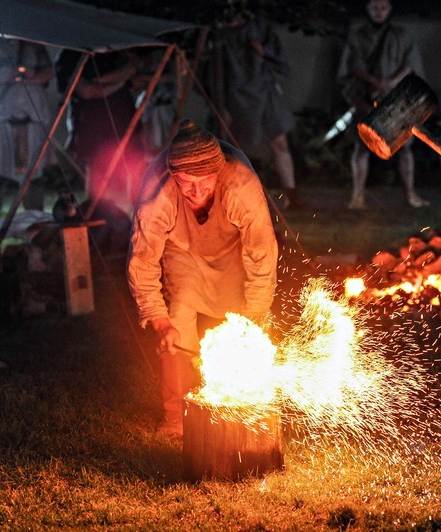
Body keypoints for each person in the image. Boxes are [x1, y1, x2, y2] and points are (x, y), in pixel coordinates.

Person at [127, 119, 278, 436]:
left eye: (205, 182)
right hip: (182, 248)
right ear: (173, 176)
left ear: (218, 172)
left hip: (233, 247)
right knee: (177, 323)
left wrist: (255, 315)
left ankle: (243, 409)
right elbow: (142, 260)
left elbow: (261, 252)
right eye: (187, 182)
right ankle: (175, 417)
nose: (196, 192)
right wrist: (158, 318)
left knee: (243, 325)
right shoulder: (158, 197)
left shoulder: (240, 187)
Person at [337, 0, 428, 210]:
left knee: (405, 148)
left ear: (390, 9)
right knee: (361, 146)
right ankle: (357, 197)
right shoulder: (357, 36)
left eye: (383, 7)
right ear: (367, 9)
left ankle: (410, 194)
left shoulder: (401, 35)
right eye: (374, 7)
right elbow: (351, 66)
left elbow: (410, 64)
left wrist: (391, 83)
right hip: (366, 97)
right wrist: (373, 82)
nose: (379, 12)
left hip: (396, 98)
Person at [216, 11, 305, 209]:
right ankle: (231, 197)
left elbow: (278, 61)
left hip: (265, 92)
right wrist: (223, 105)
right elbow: (217, 74)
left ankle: (291, 193)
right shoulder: (221, 35)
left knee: (279, 142)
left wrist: (263, 51)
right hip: (237, 97)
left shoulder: (259, 27)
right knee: (234, 148)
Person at [0, 37, 55, 218]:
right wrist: (9, 72)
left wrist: (28, 74)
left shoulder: (33, 42)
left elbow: (47, 72)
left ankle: (35, 226)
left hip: (32, 120)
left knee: (34, 179)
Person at [55, 49, 144, 211]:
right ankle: (98, 216)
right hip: (93, 126)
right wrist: (123, 81)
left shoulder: (115, 50)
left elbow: (135, 71)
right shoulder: (71, 55)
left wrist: (104, 81)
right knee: (98, 174)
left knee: (134, 170)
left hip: (124, 123)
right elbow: (88, 90)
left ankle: (137, 220)